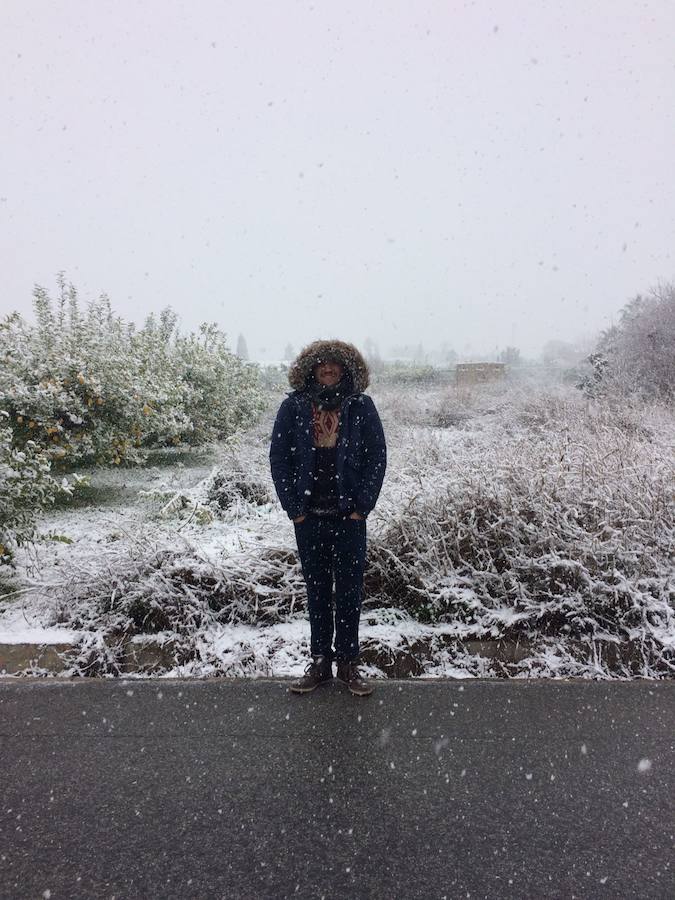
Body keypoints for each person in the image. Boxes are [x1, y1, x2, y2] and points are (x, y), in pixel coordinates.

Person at [269, 340, 387, 696]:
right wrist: (294, 509)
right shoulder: (293, 407)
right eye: (322, 364)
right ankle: (320, 662)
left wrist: (362, 506)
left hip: (349, 518)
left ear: (346, 369)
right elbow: (279, 458)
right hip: (309, 519)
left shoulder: (361, 406)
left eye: (335, 364)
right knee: (317, 591)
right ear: (311, 370)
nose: (328, 369)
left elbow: (377, 457)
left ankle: (348, 664)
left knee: (349, 592)